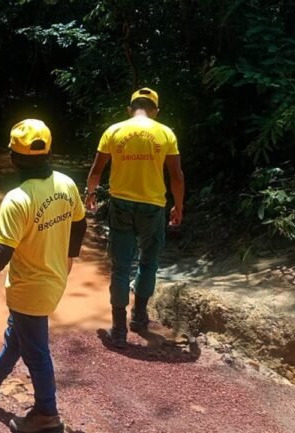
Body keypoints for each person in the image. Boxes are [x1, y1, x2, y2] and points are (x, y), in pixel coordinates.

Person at [0, 119, 87, 433]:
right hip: (54, 279)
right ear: (49, 151)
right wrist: (70, 257)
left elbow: (2, 251)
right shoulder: (66, 184)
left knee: (36, 352)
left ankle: (47, 414)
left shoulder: (17, 199)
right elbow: (80, 224)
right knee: (17, 334)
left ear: (13, 157)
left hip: (29, 287)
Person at [84, 87, 185, 348]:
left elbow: (96, 170)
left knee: (120, 266)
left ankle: (118, 329)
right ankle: (139, 317)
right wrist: (179, 206)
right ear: (156, 111)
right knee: (148, 262)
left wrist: (90, 194)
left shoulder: (114, 131)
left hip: (121, 205)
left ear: (130, 109)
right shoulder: (166, 133)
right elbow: (176, 176)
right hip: (153, 207)